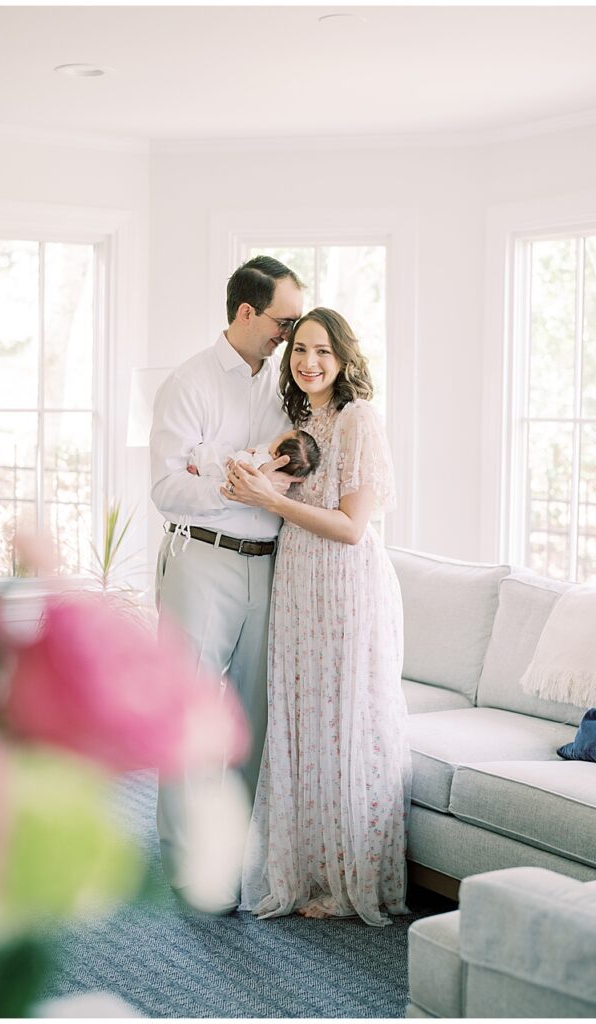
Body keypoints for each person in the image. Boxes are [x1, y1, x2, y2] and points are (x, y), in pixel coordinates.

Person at [226, 307, 412, 927]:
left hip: (345, 587)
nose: (309, 362)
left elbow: (353, 528)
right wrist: (252, 477)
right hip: (299, 584)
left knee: (345, 723)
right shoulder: (302, 420)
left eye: (323, 352)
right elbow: (271, 486)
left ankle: (349, 879)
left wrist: (271, 498)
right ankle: (307, 868)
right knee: (305, 724)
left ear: (344, 359)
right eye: (300, 349)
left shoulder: (358, 419)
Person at [149, 255, 304, 903]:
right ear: (246, 312)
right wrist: (241, 483)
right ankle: (184, 856)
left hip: (268, 566)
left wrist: (220, 470)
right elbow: (165, 489)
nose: (291, 336)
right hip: (200, 561)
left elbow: (294, 470)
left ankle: (236, 857)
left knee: (251, 715)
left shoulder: (286, 384)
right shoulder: (187, 384)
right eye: (283, 321)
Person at [189, 428, 321, 481]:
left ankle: (199, 469)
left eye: (280, 437)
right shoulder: (270, 453)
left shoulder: (264, 462)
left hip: (231, 468)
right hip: (236, 460)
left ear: (277, 454)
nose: (276, 437)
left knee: (214, 460)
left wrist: (241, 456)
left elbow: (245, 468)